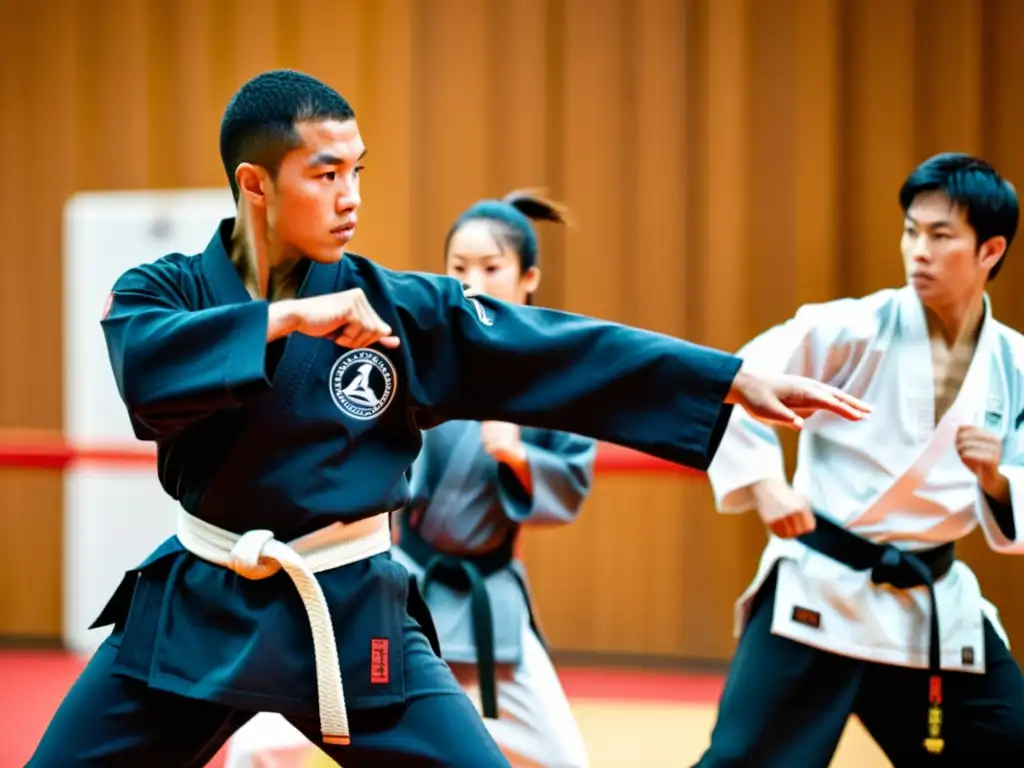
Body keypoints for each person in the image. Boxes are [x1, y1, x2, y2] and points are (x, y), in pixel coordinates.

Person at [28, 69, 869, 768]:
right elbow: (148, 363)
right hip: (196, 607)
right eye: (326, 174)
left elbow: (557, 347)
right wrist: (284, 323)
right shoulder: (163, 288)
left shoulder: (399, 312)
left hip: (352, 614)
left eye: (359, 170)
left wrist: (724, 379)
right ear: (255, 183)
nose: (351, 196)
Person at [223, 189, 596, 768]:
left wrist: (517, 457)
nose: (474, 280)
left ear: (528, 279)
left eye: (492, 268)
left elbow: (571, 479)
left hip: (490, 604)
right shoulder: (418, 352)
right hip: (401, 592)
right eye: (459, 268)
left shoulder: (554, 374)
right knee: (257, 744)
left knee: (565, 759)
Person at [698, 152, 1024, 767]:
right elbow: (735, 383)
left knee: (1006, 744)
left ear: (990, 250)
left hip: (928, 607)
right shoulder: (851, 329)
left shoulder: (1015, 365)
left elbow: (1020, 497)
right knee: (743, 762)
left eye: (940, 235)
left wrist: (997, 479)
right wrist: (766, 484)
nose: (918, 250)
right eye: (911, 231)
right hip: (820, 594)